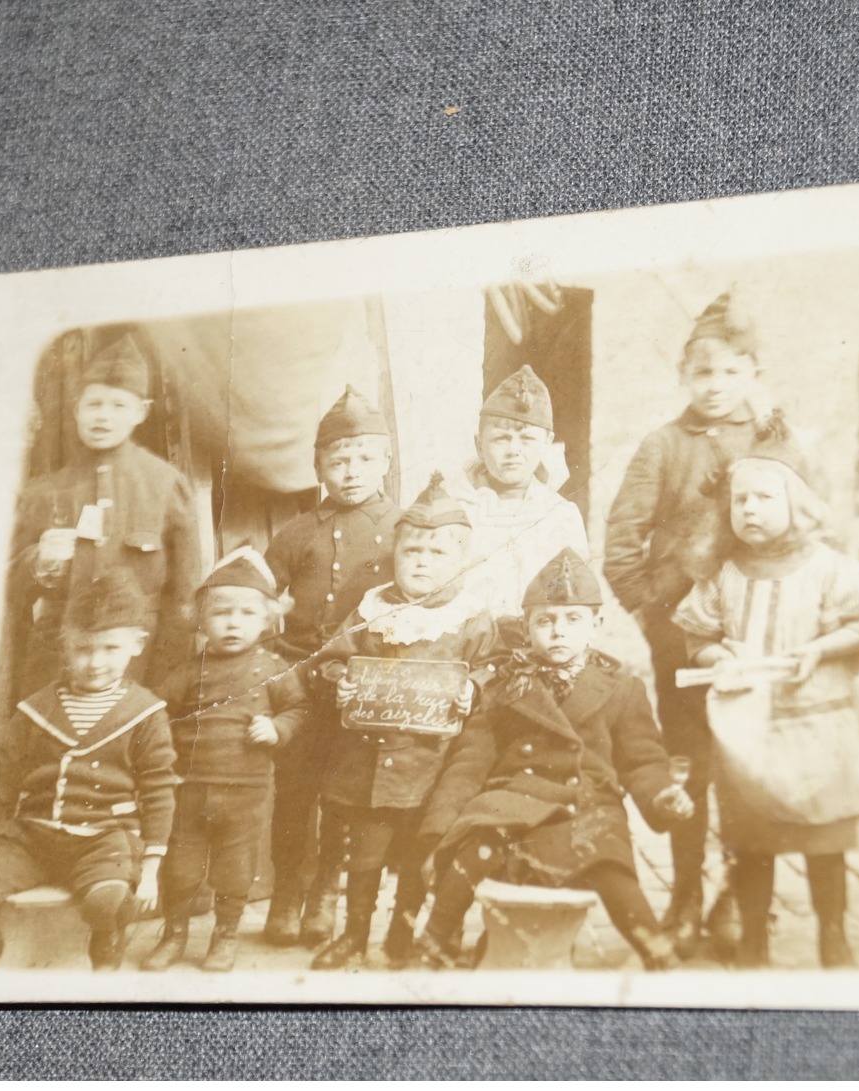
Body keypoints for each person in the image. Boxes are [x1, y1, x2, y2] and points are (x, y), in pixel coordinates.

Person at [602, 288, 798, 953]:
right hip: (680, 639)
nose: (714, 387)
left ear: (753, 374)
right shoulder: (662, 445)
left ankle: (742, 905)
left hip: (759, 637)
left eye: (730, 372)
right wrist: (652, 616)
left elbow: (809, 529)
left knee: (749, 769)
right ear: (683, 376)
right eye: (701, 372)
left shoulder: (778, 440)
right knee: (689, 766)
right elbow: (621, 538)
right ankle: (684, 896)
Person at [672, 440, 859, 968]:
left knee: (824, 842)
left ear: (797, 503)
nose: (749, 509)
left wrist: (820, 650)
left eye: (763, 497)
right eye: (739, 500)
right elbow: (697, 636)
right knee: (753, 841)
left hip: (817, 727)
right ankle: (753, 939)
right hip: (749, 729)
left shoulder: (826, 566)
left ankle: (833, 935)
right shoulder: (724, 573)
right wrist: (720, 653)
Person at [413, 548, 693, 972]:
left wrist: (661, 796)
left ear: (596, 625)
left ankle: (655, 949)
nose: (557, 632)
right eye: (545, 621)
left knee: (610, 867)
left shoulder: (621, 687)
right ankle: (435, 941)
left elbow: (643, 762)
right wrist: (441, 825)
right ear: (526, 628)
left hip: (588, 805)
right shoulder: (506, 685)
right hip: (513, 800)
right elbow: (470, 761)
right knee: (476, 850)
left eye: (572, 619)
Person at [310, 473, 501, 970]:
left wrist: (472, 688)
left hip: (433, 763)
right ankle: (353, 936)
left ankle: (402, 934)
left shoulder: (470, 617)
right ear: (395, 554)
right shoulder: (372, 608)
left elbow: (492, 669)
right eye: (412, 550)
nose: (421, 561)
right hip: (370, 760)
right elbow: (330, 658)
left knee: (418, 854)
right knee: (366, 853)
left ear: (461, 561)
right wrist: (341, 681)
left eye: (438, 554)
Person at [0, 570, 178, 970]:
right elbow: (0, 779)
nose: (95, 662)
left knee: (108, 895)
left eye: (110, 648)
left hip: (103, 838)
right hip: (34, 835)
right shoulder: (35, 710)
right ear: (65, 645)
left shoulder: (145, 713)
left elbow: (158, 791)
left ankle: (108, 934)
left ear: (136, 644)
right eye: (83, 649)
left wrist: (150, 868)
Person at [261, 386, 399, 948]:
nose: (351, 472)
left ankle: (324, 892)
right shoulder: (296, 534)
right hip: (298, 682)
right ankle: (286, 893)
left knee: (343, 795)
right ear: (318, 465)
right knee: (294, 794)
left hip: (362, 684)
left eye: (365, 458)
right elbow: (261, 600)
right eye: (338, 460)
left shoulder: (405, 530)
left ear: (386, 461)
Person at [142, 548, 309, 972]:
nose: (233, 622)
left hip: (247, 790)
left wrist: (277, 729)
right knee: (180, 867)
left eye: (247, 613)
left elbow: (298, 709)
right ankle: (174, 934)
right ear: (201, 620)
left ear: (268, 619)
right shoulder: (186, 671)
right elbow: (155, 712)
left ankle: (226, 934)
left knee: (235, 870)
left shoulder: (275, 669)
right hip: (189, 788)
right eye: (221, 613)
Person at [7, 335, 200, 699]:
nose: (103, 416)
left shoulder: (166, 486)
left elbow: (185, 595)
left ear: (141, 412)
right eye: (94, 403)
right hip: (56, 666)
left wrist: (165, 676)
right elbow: (8, 586)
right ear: (76, 408)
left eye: (118, 405)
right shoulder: (42, 493)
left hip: (138, 670)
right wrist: (39, 562)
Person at [445, 365, 589, 636]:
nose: (513, 450)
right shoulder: (453, 509)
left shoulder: (560, 515)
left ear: (547, 442)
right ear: (479, 445)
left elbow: (574, 598)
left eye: (526, 439)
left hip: (537, 644)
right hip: (467, 642)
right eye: (501, 439)